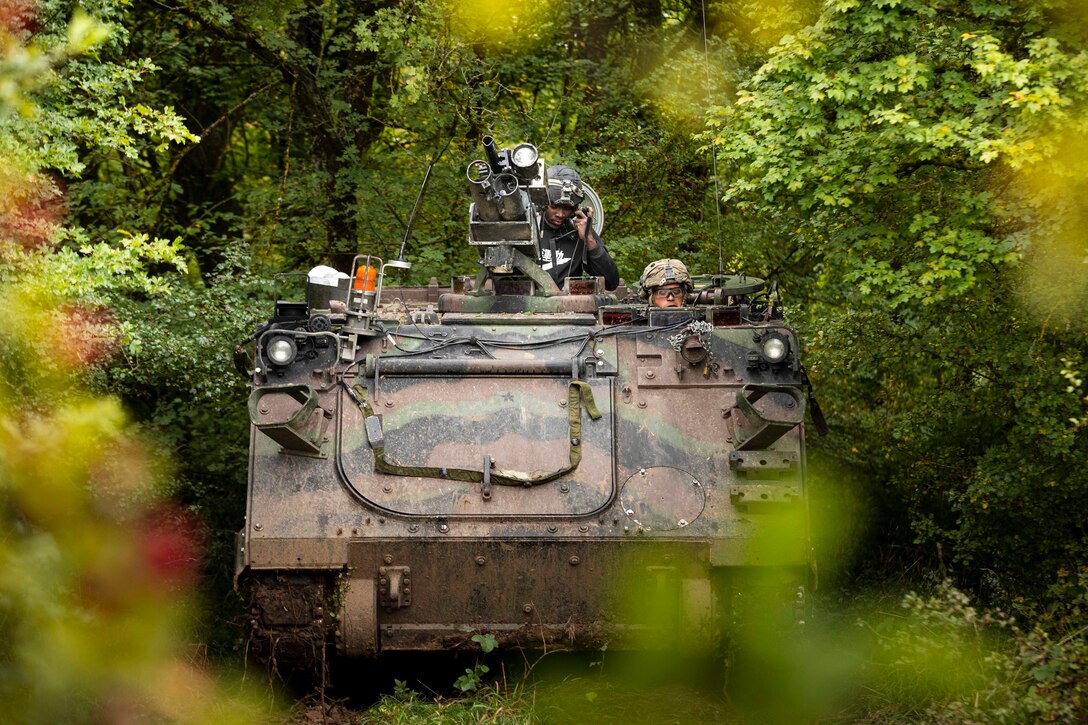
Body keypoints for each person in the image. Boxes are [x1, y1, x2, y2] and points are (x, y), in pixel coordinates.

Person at [537, 165, 620, 291]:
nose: (560, 214)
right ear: (542, 202)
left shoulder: (580, 232)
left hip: (569, 307)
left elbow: (611, 282)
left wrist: (590, 241)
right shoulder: (527, 229)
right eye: (554, 207)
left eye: (567, 208)